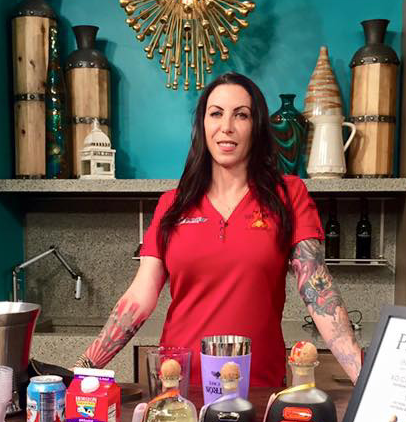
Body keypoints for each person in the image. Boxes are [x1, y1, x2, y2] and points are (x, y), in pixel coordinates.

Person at [75, 72, 362, 387]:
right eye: (216, 113)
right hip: (180, 386)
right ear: (202, 125)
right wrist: (84, 368)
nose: (227, 126)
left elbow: (318, 290)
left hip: (257, 386)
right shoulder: (173, 204)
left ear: (256, 127)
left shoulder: (288, 195)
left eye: (241, 115)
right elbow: (140, 297)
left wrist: (365, 380)